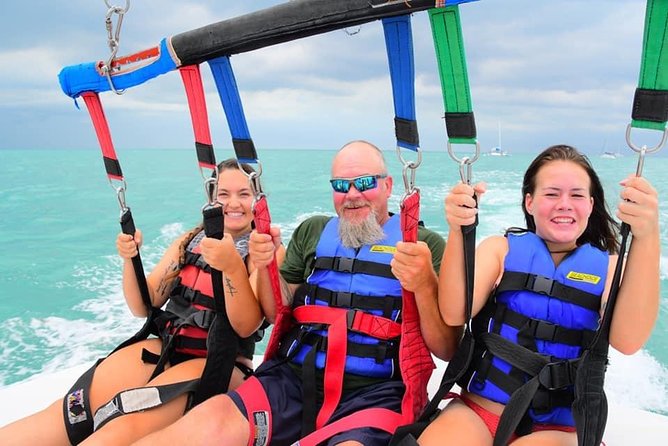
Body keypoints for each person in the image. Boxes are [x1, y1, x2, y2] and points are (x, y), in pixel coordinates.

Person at [133, 140, 462, 446]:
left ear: (388, 186)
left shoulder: (422, 245)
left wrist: (423, 283)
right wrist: (264, 267)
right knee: (211, 419)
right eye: (340, 185)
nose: (351, 194)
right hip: (290, 381)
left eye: (364, 183)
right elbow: (277, 311)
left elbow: (447, 348)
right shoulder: (313, 231)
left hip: (374, 394)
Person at [0, 159, 272, 445]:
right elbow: (144, 304)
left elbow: (245, 326)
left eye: (244, 194)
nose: (233, 203)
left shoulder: (263, 252)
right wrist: (130, 258)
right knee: (72, 412)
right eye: (224, 195)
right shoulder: (189, 241)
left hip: (220, 363)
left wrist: (230, 267)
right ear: (211, 199)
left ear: (258, 198)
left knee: (124, 424)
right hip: (167, 348)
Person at [418, 144, 660, 445]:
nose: (564, 204)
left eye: (576, 195)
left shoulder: (609, 268)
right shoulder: (500, 250)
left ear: (590, 205)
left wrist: (648, 233)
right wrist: (458, 228)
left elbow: (628, 340)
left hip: (557, 431)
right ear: (529, 202)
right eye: (552, 193)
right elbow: (455, 311)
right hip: (478, 412)